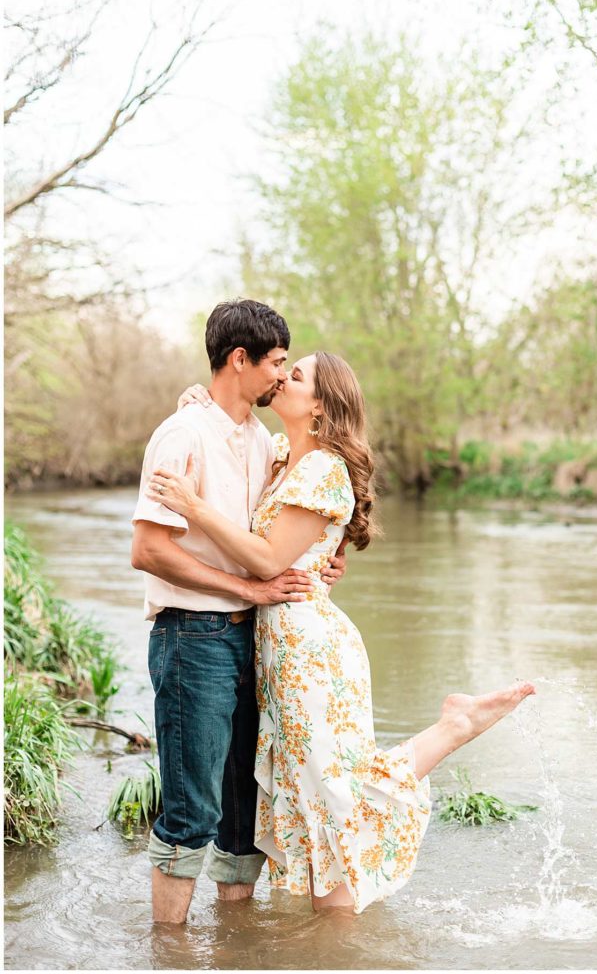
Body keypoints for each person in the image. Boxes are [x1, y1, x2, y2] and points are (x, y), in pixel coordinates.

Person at [146, 350, 536, 914]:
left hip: (310, 650)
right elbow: (232, 435)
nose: (281, 377)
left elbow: (265, 558)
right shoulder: (283, 455)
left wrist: (193, 506)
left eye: (295, 374)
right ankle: (335, 932)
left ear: (321, 406)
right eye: (283, 367)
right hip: (278, 648)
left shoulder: (324, 469)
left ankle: (453, 729)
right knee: (313, 792)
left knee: (334, 787)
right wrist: (200, 402)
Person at [130, 300, 346, 925]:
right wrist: (246, 591)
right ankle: (167, 950)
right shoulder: (182, 434)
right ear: (240, 359)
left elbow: (302, 517)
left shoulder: (264, 442)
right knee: (192, 808)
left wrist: (329, 559)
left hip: (256, 641)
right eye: (278, 363)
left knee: (242, 810)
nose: (283, 375)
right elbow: (147, 550)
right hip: (193, 637)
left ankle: (233, 949)